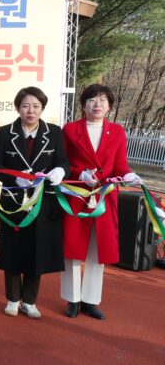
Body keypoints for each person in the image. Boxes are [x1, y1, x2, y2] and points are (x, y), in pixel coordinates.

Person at [0, 87, 70, 319]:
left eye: (35, 106)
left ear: (42, 108)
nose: (30, 111)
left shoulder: (54, 132)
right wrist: (15, 177)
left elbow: (63, 161)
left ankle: (30, 301)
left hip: (44, 201)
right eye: (25, 106)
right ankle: (13, 299)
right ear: (18, 108)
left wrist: (60, 171)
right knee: (13, 250)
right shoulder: (5, 132)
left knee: (38, 249)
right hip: (14, 200)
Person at [61, 84, 142, 320]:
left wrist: (128, 174)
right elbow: (63, 163)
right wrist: (79, 173)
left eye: (103, 100)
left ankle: (90, 300)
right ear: (84, 105)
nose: (97, 104)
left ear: (109, 106)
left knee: (98, 249)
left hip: (105, 196)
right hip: (77, 195)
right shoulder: (70, 129)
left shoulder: (117, 131)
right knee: (73, 248)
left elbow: (120, 164)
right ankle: (72, 299)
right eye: (92, 100)